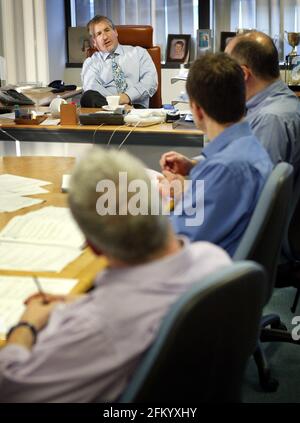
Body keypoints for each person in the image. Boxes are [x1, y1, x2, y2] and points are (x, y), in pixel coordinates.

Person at [0, 148, 231, 402]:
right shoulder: (214, 259)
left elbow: (12, 390)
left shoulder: (96, 327)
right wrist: (79, 302)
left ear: (93, 246)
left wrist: (25, 327)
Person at [159, 53, 273, 256]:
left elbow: (174, 243)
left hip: (199, 275)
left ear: (197, 110)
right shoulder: (248, 145)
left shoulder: (225, 168)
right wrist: (189, 185)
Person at [225, 31, 300, 174]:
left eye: (226, 68)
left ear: (243, 74)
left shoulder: (271, 120)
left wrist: (192, 188)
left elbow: (249, 187)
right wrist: (195, 164)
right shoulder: (267, 104)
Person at [80, 15, 158, 108]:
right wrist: (115, 102)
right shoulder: (91, 63)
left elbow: (150, 81)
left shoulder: (139, 53)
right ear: (94, 42)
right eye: (99, 34)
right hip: (106, 109)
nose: (105, 37)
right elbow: (92, 87)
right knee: (88, 96)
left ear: (115, 32)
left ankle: (123, 110)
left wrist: (127, 97)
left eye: (107, 30)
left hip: (135, 107)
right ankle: (119, 110)